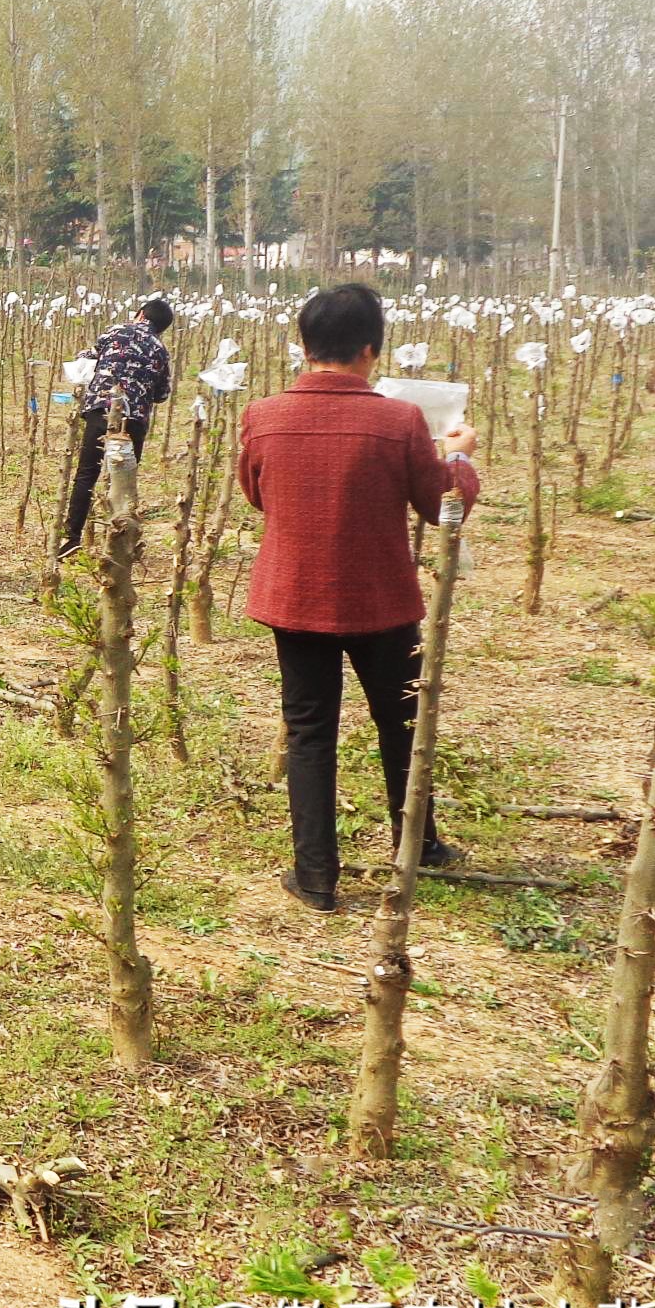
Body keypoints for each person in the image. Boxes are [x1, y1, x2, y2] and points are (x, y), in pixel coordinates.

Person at [240, 282, 481, 913]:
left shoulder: (264, 416)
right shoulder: (399, 421)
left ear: (302, 344)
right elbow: (441, 506)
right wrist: (456, 460)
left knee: (310, 730)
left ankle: (315, 876)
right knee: (402, 721)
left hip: (294, 595)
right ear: (371, 349)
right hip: (380, 599)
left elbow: (257, 494)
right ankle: (418, 845)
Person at [58, 297, 177, 557]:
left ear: (139, 313)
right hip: (134, 420)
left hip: (101, 409)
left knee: (87, 473)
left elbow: (87, 357)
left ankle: (71, 538)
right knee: (124, 480)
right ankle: (120, 545)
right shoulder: (160, 348)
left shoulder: (115, 331)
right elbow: (162, 394)